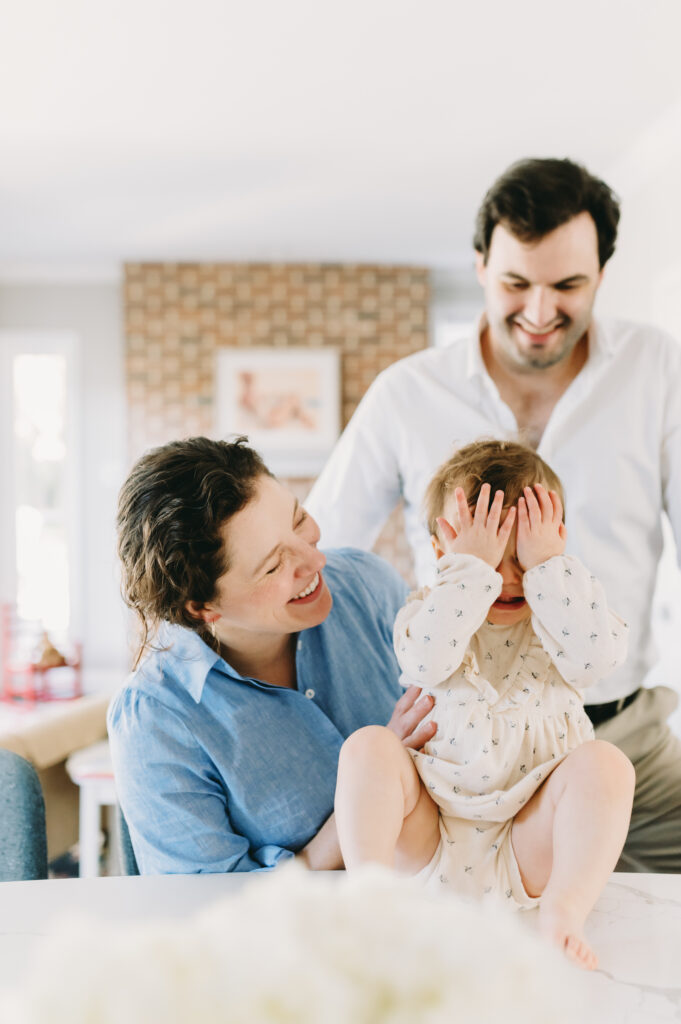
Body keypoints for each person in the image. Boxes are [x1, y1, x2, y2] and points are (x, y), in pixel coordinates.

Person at [307, 157, 681, 872]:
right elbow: (324, 562)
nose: (539, 313)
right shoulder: (405, 394)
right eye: (516, 283)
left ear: (601, 271)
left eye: (566, 285)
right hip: (455, 760)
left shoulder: (657, 372)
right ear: (480, 266)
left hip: (615, 739)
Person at [334, 440, 635, 970]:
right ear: (441, 553)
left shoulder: (566, 617)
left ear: (557, 544)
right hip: (429, 833)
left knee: (607, 765)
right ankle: (369, 900)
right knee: (368, 746)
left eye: (526, 555)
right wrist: (469, 573)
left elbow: (598, 661)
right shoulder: (427, 613)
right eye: (490, 556)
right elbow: (425, 664)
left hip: (531, 839)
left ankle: (564, 910)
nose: (509, 575)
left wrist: (552, 572)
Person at [107, 436, 434, 875]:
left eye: (298, 520)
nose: (315, 559)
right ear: (203, 608)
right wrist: (375, 778)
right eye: (275, 566)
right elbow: (209, 911)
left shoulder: (366, 584)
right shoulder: (156, 718)